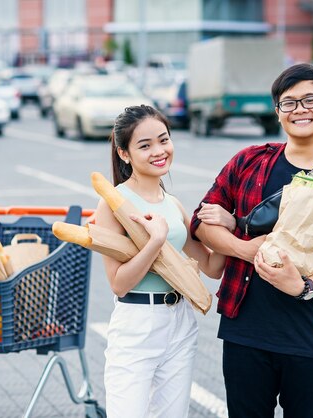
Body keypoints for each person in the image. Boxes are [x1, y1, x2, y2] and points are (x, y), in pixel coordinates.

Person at [192, 64, 313, 417]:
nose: (300, 110)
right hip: (245, 331)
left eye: (310, 99)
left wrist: (303, 286)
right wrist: (243, 248)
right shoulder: (249, 161)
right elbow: (202, 221)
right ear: (278, 112)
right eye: (289, 103)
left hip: (309, 335)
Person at [94, 105, 232, 418]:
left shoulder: (172, 204)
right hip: (137, 324)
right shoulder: (113, 203)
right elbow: (119, 283)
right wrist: (155, 241)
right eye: (145, 145)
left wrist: (229, 226)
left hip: (180, 321)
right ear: (124, 154)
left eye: (164, 140)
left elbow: (212, 268)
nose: (159, 151)